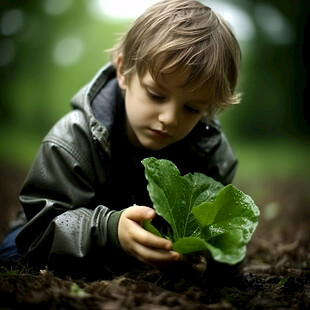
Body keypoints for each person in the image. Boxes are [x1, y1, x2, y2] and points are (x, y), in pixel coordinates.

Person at [0, 0, 241, 276]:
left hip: (146, 259)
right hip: (56, 234)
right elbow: (38, 232)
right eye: (156, 95)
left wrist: (204, 255)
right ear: (124, 73)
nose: (170, 118)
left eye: (192, 108)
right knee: (13, 256)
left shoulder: (211, 154)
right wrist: (110, 229)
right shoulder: (72, 140)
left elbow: (227, 237)